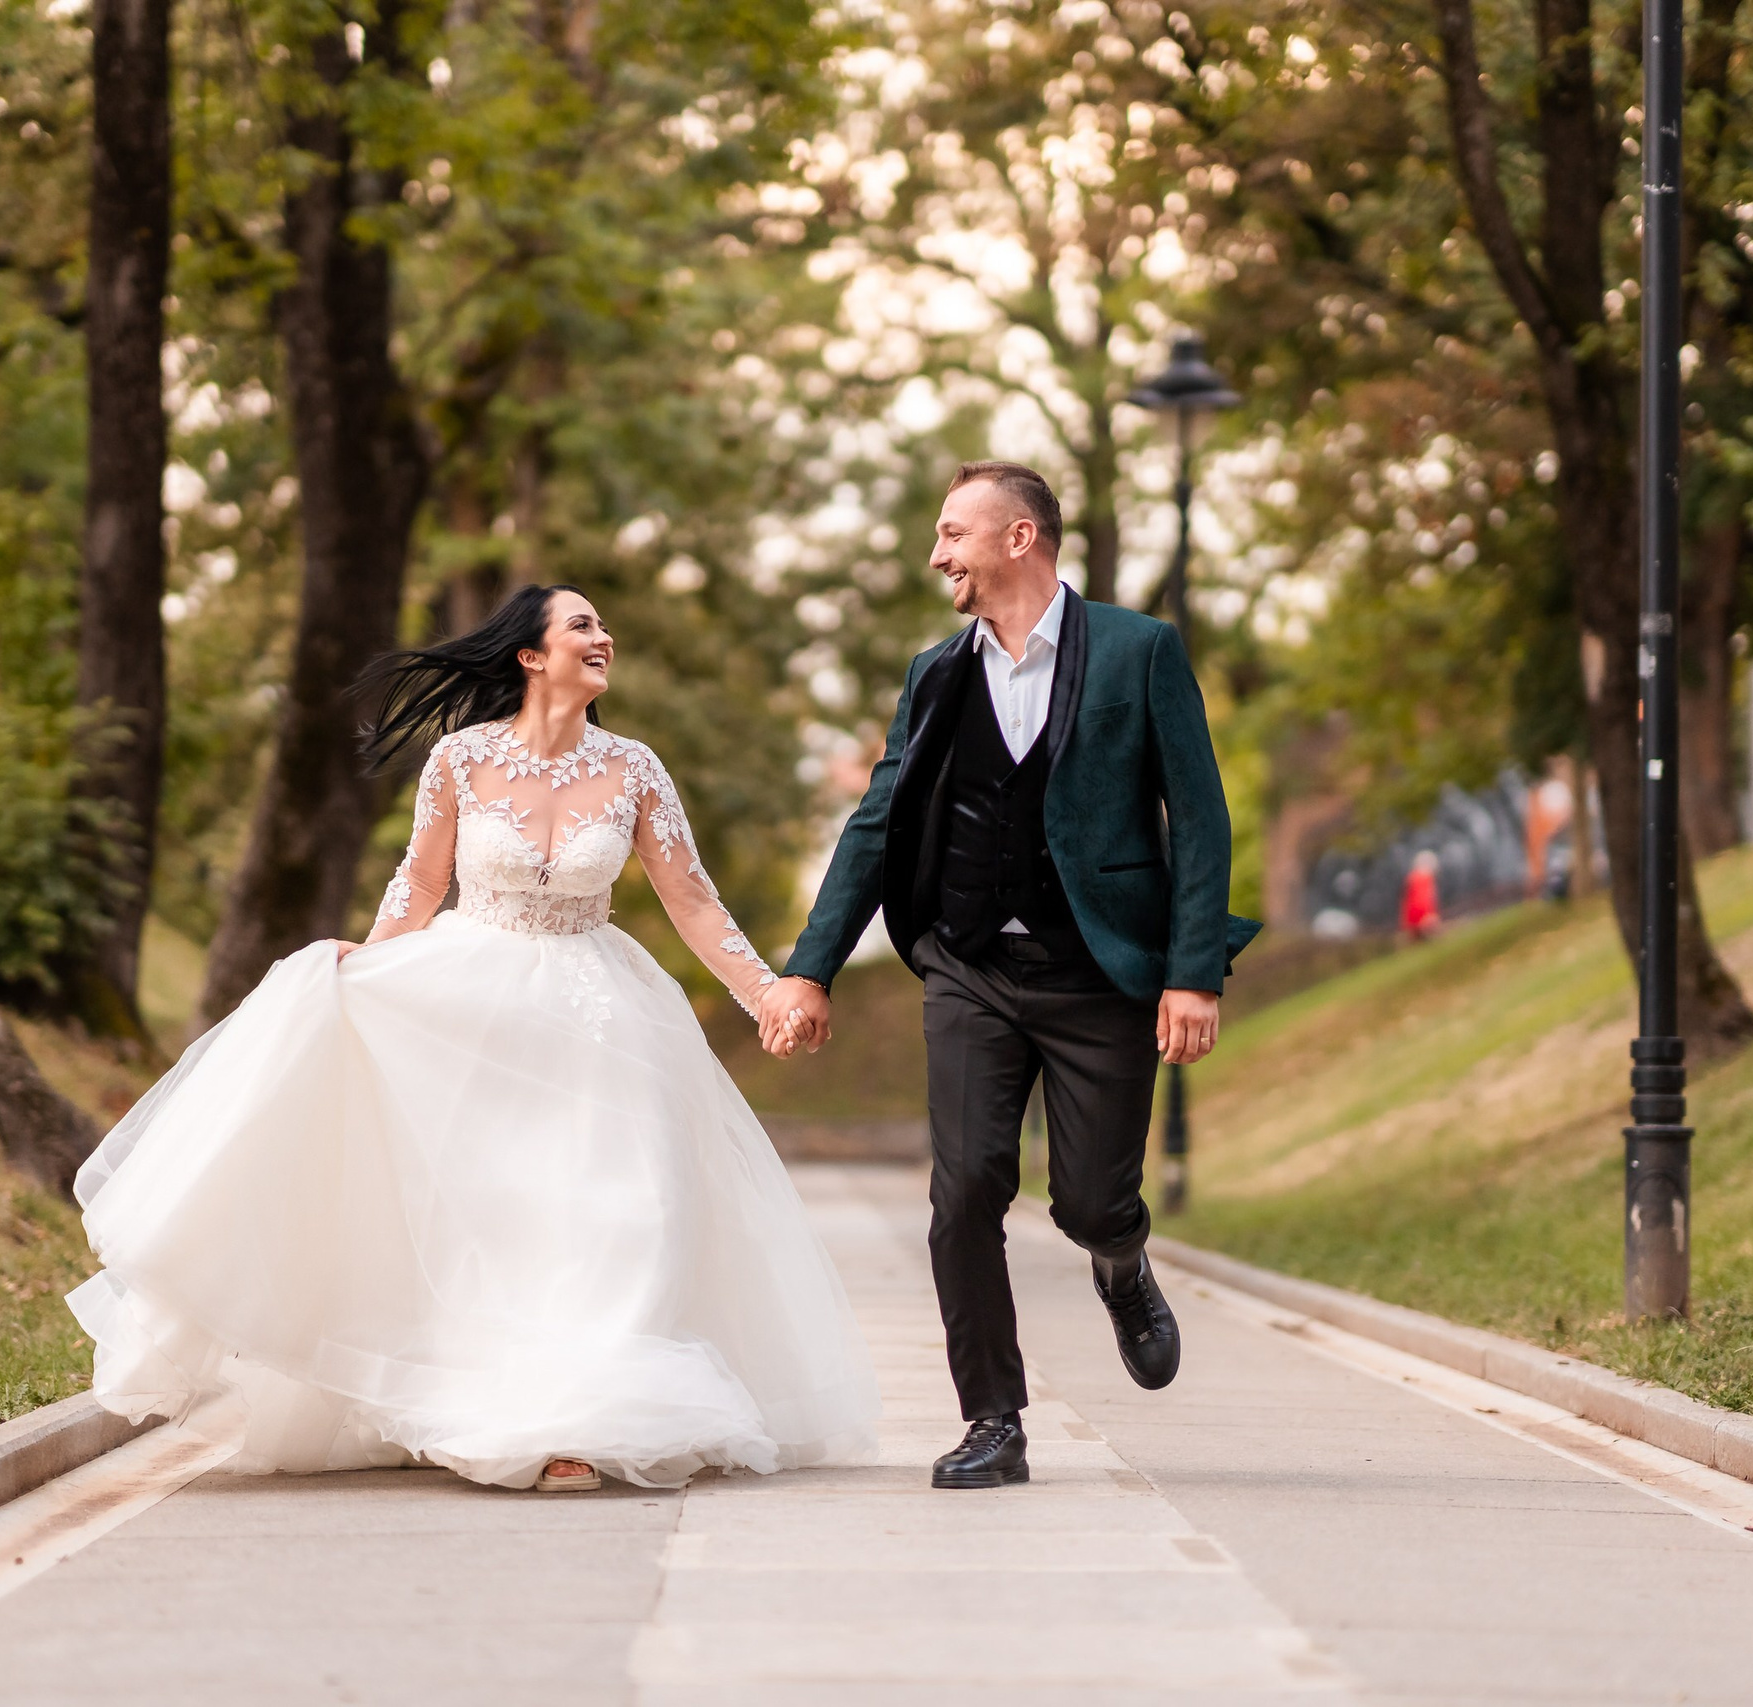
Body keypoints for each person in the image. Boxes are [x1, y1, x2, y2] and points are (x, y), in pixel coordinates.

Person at [66, 585, 880, 1494]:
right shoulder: (457, 760)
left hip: (596, 1013)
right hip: (471, 1000)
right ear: (530, 655)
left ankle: (575, 1421)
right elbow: (418, 887)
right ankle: (479, 1401)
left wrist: (768, 993)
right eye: (582, 625)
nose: (603, 636)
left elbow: (691, 899)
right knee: (493, 1215)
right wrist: (365, 971)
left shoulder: (636, 769)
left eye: (603, 624)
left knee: (615, 1208)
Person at [755, 462, 1258, 1491]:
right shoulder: (936, 672)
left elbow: (1198, 820)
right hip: (969, 967)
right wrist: (811, 970)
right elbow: (876, 824)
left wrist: (1191, 973)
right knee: (967, 1186)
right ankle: (992, 1418)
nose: (937, 553)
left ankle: (1119, 1260)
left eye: (952, 532)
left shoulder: (1139, 651)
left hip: (1101, 973)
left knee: (1087, 1199)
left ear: (1018, 537)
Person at [1400, 848, 1442, 940]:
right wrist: (1427, 916)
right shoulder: (1424, 879)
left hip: (1415, 919)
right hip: (1422, 917)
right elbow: (1423, 899)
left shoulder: (1412, 877)